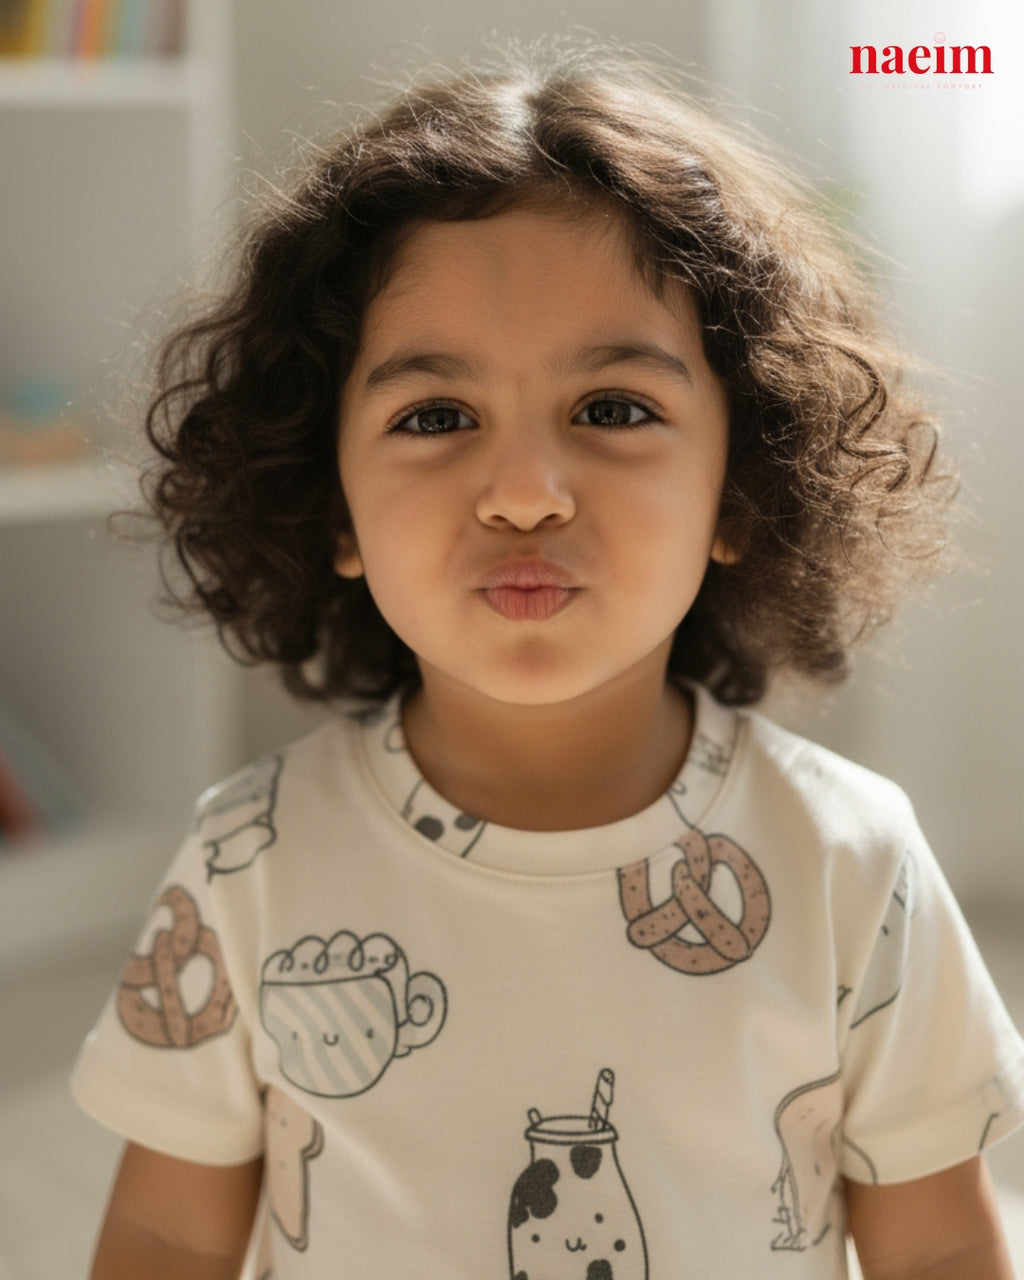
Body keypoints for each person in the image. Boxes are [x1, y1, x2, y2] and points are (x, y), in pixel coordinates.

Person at [73, 40, 1024, 1280]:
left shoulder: (851, 858)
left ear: (739, 488)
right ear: (333, 505)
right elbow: (161, 1231)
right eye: (435, 417)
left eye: (613, 409)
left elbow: (939, 1244)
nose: (524, 493)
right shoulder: (250, 854)